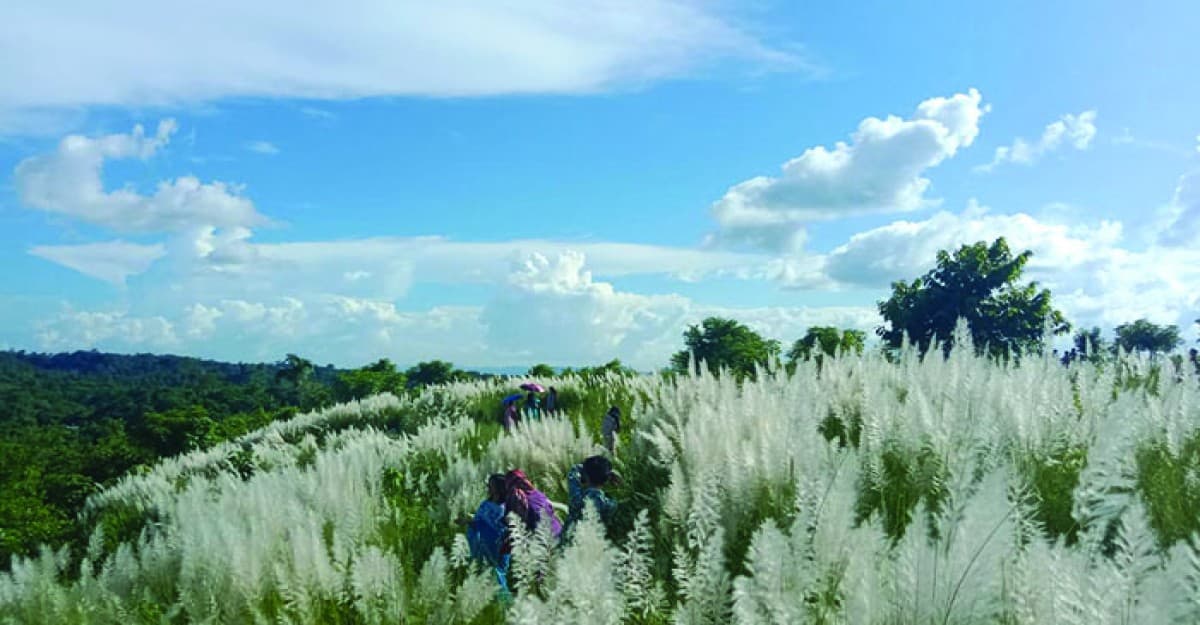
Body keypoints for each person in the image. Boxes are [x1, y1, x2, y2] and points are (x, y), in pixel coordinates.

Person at [458, 474, 511, 595]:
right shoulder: (486, 503)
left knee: (496, 574)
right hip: (479, 544)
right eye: (489, 485)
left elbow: (502, 528)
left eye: (492, 485)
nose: (489, 487)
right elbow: (479, 520)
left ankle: (504, 604)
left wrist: (472, 522)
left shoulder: (506, 507)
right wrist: (468, 521)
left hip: (497, 546)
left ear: (499, 487)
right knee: (481, 574)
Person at [563, 455, 618, 538]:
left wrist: (582, 468)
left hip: (568, 544)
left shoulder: (577, 497)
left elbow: (573, 473)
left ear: (585, 475)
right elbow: (617, 497)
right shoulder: (609, 503)